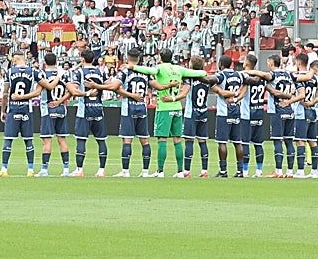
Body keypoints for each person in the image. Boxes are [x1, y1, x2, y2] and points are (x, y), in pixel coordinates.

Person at [134, 49, 210, 177]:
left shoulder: (160, 67)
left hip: (164, 106)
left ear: (160, 57)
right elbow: (203, 72)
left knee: (162, 139)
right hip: (177, 107)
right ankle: (180, 171)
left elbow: (149, 71)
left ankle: (160, 171)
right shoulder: (179, 69)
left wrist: (133, 66)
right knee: (177, 139)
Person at [94, 49, 152, 177]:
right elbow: (156, 85)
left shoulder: (125, 71)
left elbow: (115, 87)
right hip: (142, 108)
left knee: (127, 140)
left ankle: (125, 171)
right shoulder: (145, 71)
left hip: (129, 109)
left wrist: (98, 86)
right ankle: (145, 171)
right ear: (139, 58)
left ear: (127, 57)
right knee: (145, 140)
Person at [0, 52, 40, 177]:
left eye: (14, 60)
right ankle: (30, 169)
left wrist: (2, 110)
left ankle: (4, 169)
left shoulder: (10, 72)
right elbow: (40, 87)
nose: (13, 62)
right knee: (28, 140)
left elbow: (5, 93)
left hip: (13, 108)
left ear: (17, 59)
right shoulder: (33, 71)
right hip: (27, 107)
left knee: (8, 139)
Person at [66, 48, 109, 177]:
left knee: (81, 140)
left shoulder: (80, 72)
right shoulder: (100, 72)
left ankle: (79, 170)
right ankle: (101, 170)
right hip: (98, 109)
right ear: (94, 59)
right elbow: (111, 86)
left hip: (84, 111)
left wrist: (87, 93)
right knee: (101, 141)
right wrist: (98, 87)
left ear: (82, 59)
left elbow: (73, 90)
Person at [34, 53, 70, 177]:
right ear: (56, 62)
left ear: (45, 62)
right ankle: (66, 169)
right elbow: (71, 91)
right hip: (61, 109)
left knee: (47, 141)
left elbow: (41, 90)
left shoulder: (42, 75)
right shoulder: (63, 74)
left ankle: (44, 169)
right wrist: (60, 101)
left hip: (47, 110)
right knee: (62, 139)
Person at [212, 54, 246, 178]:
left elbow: (212, 82)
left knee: (222, 142)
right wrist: (237, 98)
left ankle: (223, 171)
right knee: (237, 142)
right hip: (237, 110)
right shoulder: (239, 75)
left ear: (221, 64)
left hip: (224, 112)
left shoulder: (221, 75)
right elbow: (246, 84)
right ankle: (240, 171)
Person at [182, 56, 216, 178]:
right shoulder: (206, 79)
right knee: (202, 141)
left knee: (189, 141)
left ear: (192, 65)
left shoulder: (189, 78)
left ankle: (186, 171)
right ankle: (204, 171)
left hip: (191, 114)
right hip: (203, 112)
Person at [238, 54, 272, 177]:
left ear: (246, 63)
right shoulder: (262, 78)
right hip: (259, 112)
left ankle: (245, 171)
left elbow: (243, 90)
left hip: (247, 114)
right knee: (258, 144)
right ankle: (259, 170)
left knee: (245, 143)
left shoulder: (243, 76)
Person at [266, 53, 299, 178]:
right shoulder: (289, 74)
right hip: (290, 110)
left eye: (268, 63)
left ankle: (278, 170)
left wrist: (267, 87)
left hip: (277, 110)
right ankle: (290, 171)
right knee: (289, 141)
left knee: (277, 140)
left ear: (271, 63)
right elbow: (295, 88)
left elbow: (274, 91)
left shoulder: (272, 75)